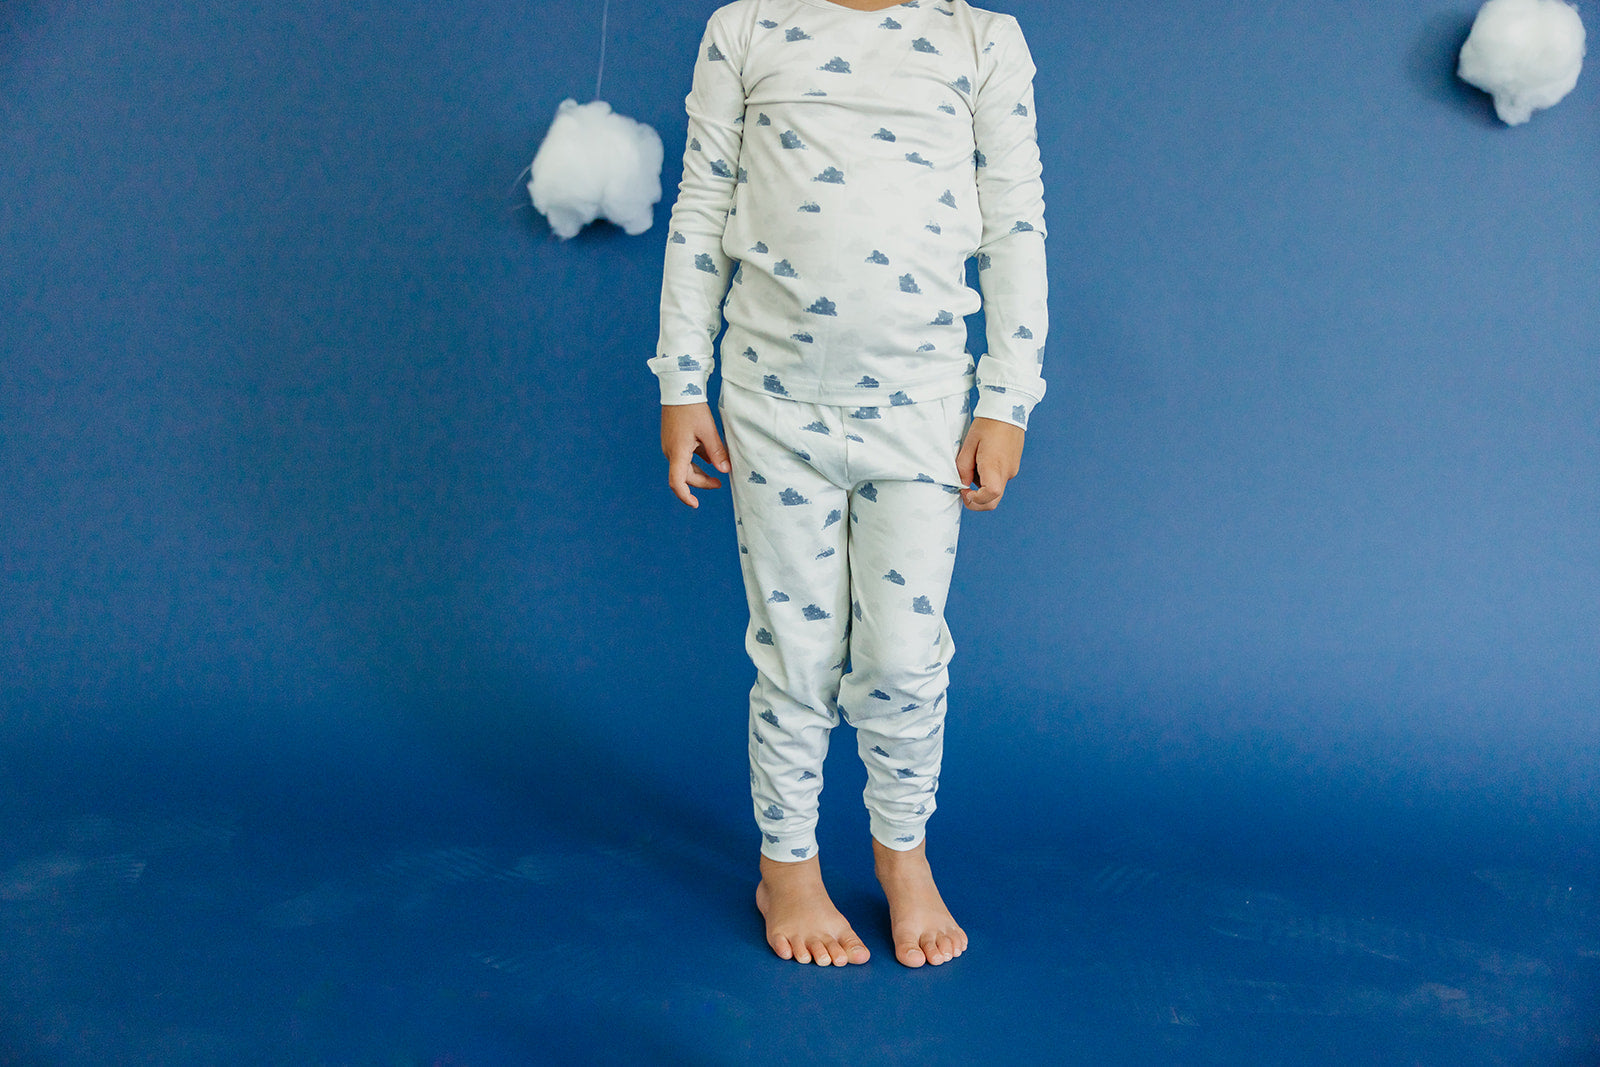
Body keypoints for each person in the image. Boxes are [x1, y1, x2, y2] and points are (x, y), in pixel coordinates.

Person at [652, 0, 1047, 968]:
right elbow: (701, 206)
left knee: (905, 657)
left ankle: (901, 849)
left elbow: (1014, 224)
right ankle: (786, 862)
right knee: (796, 652)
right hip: (771, 405)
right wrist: (680, 380)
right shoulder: (747, 29)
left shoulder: (982, 41)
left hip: (921, 411)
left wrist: (1007, 399)